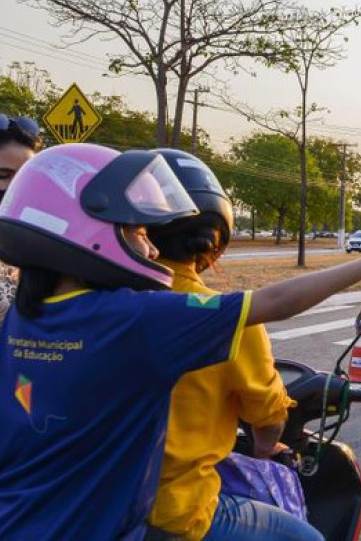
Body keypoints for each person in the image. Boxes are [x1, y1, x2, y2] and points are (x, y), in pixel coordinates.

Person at [0, 143, 361, 540]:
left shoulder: (25, 319)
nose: (149, 250)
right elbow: (279, 300)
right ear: (81, 230)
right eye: (136, 231)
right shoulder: (136, 319)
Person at [141, 149, 317, 540]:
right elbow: (269, 418)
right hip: (175, 513)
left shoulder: (88, 305)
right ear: (211, 235)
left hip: (91, 506)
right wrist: (264, 447)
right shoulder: (224, 316)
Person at [0, 111, 41, 506]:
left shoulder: (18, 238)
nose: (13, 190)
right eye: (1, 177)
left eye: (24, 180)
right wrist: (42, 356)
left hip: (18, 390)